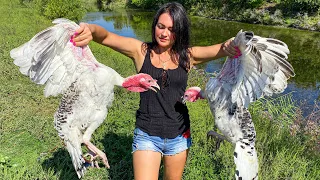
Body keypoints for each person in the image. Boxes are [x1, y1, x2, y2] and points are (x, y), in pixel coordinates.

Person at [72, 2, 239, 180]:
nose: (165, 33)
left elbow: (221, 49)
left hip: (179, 136)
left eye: (172, 29)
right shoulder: (141, 51)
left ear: (180, 31)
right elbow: (105, 36)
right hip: (147, 134)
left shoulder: (188, 56)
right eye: (161, 26)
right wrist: (90, 29)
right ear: (155, 26)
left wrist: (231, 44)